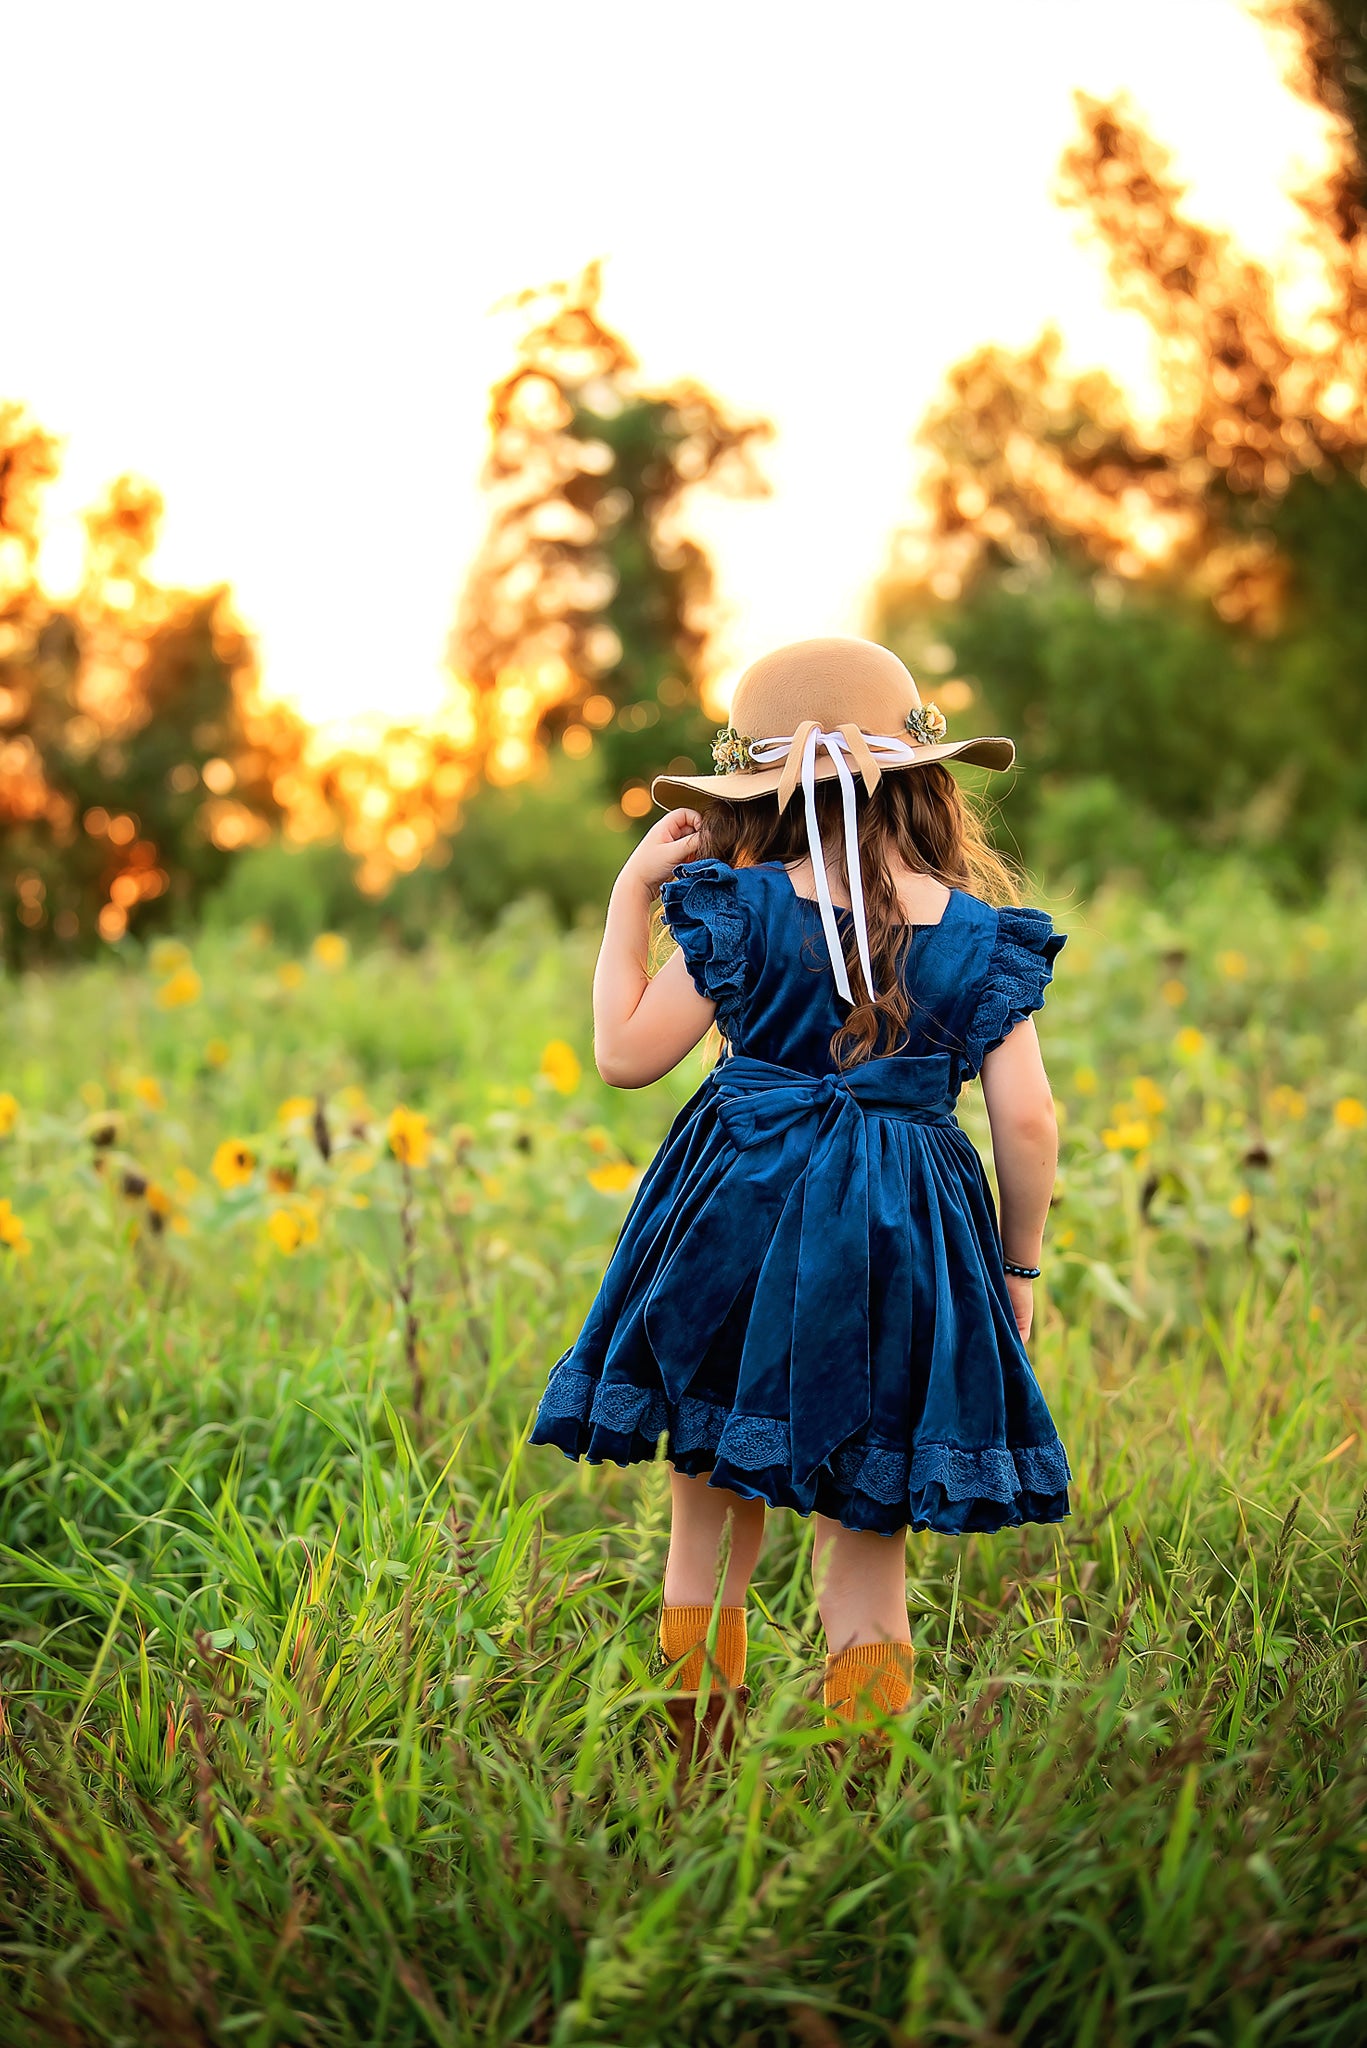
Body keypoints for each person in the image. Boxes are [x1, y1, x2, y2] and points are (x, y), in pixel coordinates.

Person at [529, 637, 1071, 1755]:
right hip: (901, 1236)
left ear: (757, 796)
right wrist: (1014, 1269)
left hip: (737, 1220)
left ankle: (694, 1771)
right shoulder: (974, 934)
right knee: (866, 1534)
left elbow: (626, 1053)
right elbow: (1026, 1121)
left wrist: (634, 891)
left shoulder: (736, 910)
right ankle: (861, 1791)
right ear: (923, 780)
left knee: (708, 1527)